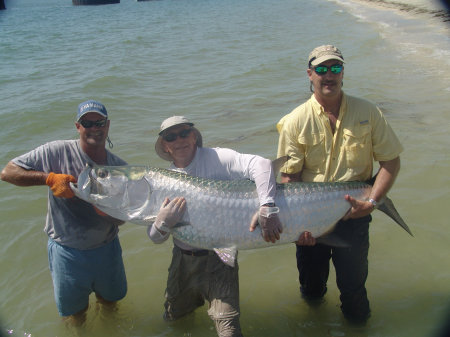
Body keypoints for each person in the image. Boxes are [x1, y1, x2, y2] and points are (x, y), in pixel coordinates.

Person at [276, 45, 403, 323]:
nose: (329, 75)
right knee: (311, 291)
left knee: (355, 295)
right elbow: (289, 179)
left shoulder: (369, 112)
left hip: (355, 215)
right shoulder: (295, 121)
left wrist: (372, 202)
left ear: (343, 72)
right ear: (310, 74)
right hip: (308, 219)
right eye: (321, 69)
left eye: (335, 68)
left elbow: (391, 163)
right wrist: (296, 226)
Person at [147, 116, 283, 337]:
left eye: (184, 133)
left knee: (228, 330)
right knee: (175, 321)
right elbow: (155, 237)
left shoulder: (218, 157)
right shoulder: (162, 181)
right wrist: (162, 223)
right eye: (171, 137)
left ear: (194, 136)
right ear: (165, 145)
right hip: (183, 260)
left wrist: (267, 205)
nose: (179, 140)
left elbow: (262, 164)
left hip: (220, 259)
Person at [0, 100, 128, 324]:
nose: (94, 128)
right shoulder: (56, 151)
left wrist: (104, 212)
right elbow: (8, 172)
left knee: (109, 304)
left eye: (99, 122)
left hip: (107, 250)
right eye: (87, 122)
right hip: (67, 252)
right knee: (75, 315)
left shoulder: (119, 168)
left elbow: (122, 219)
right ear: (78, 126)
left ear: (108, 126)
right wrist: (49, 178)